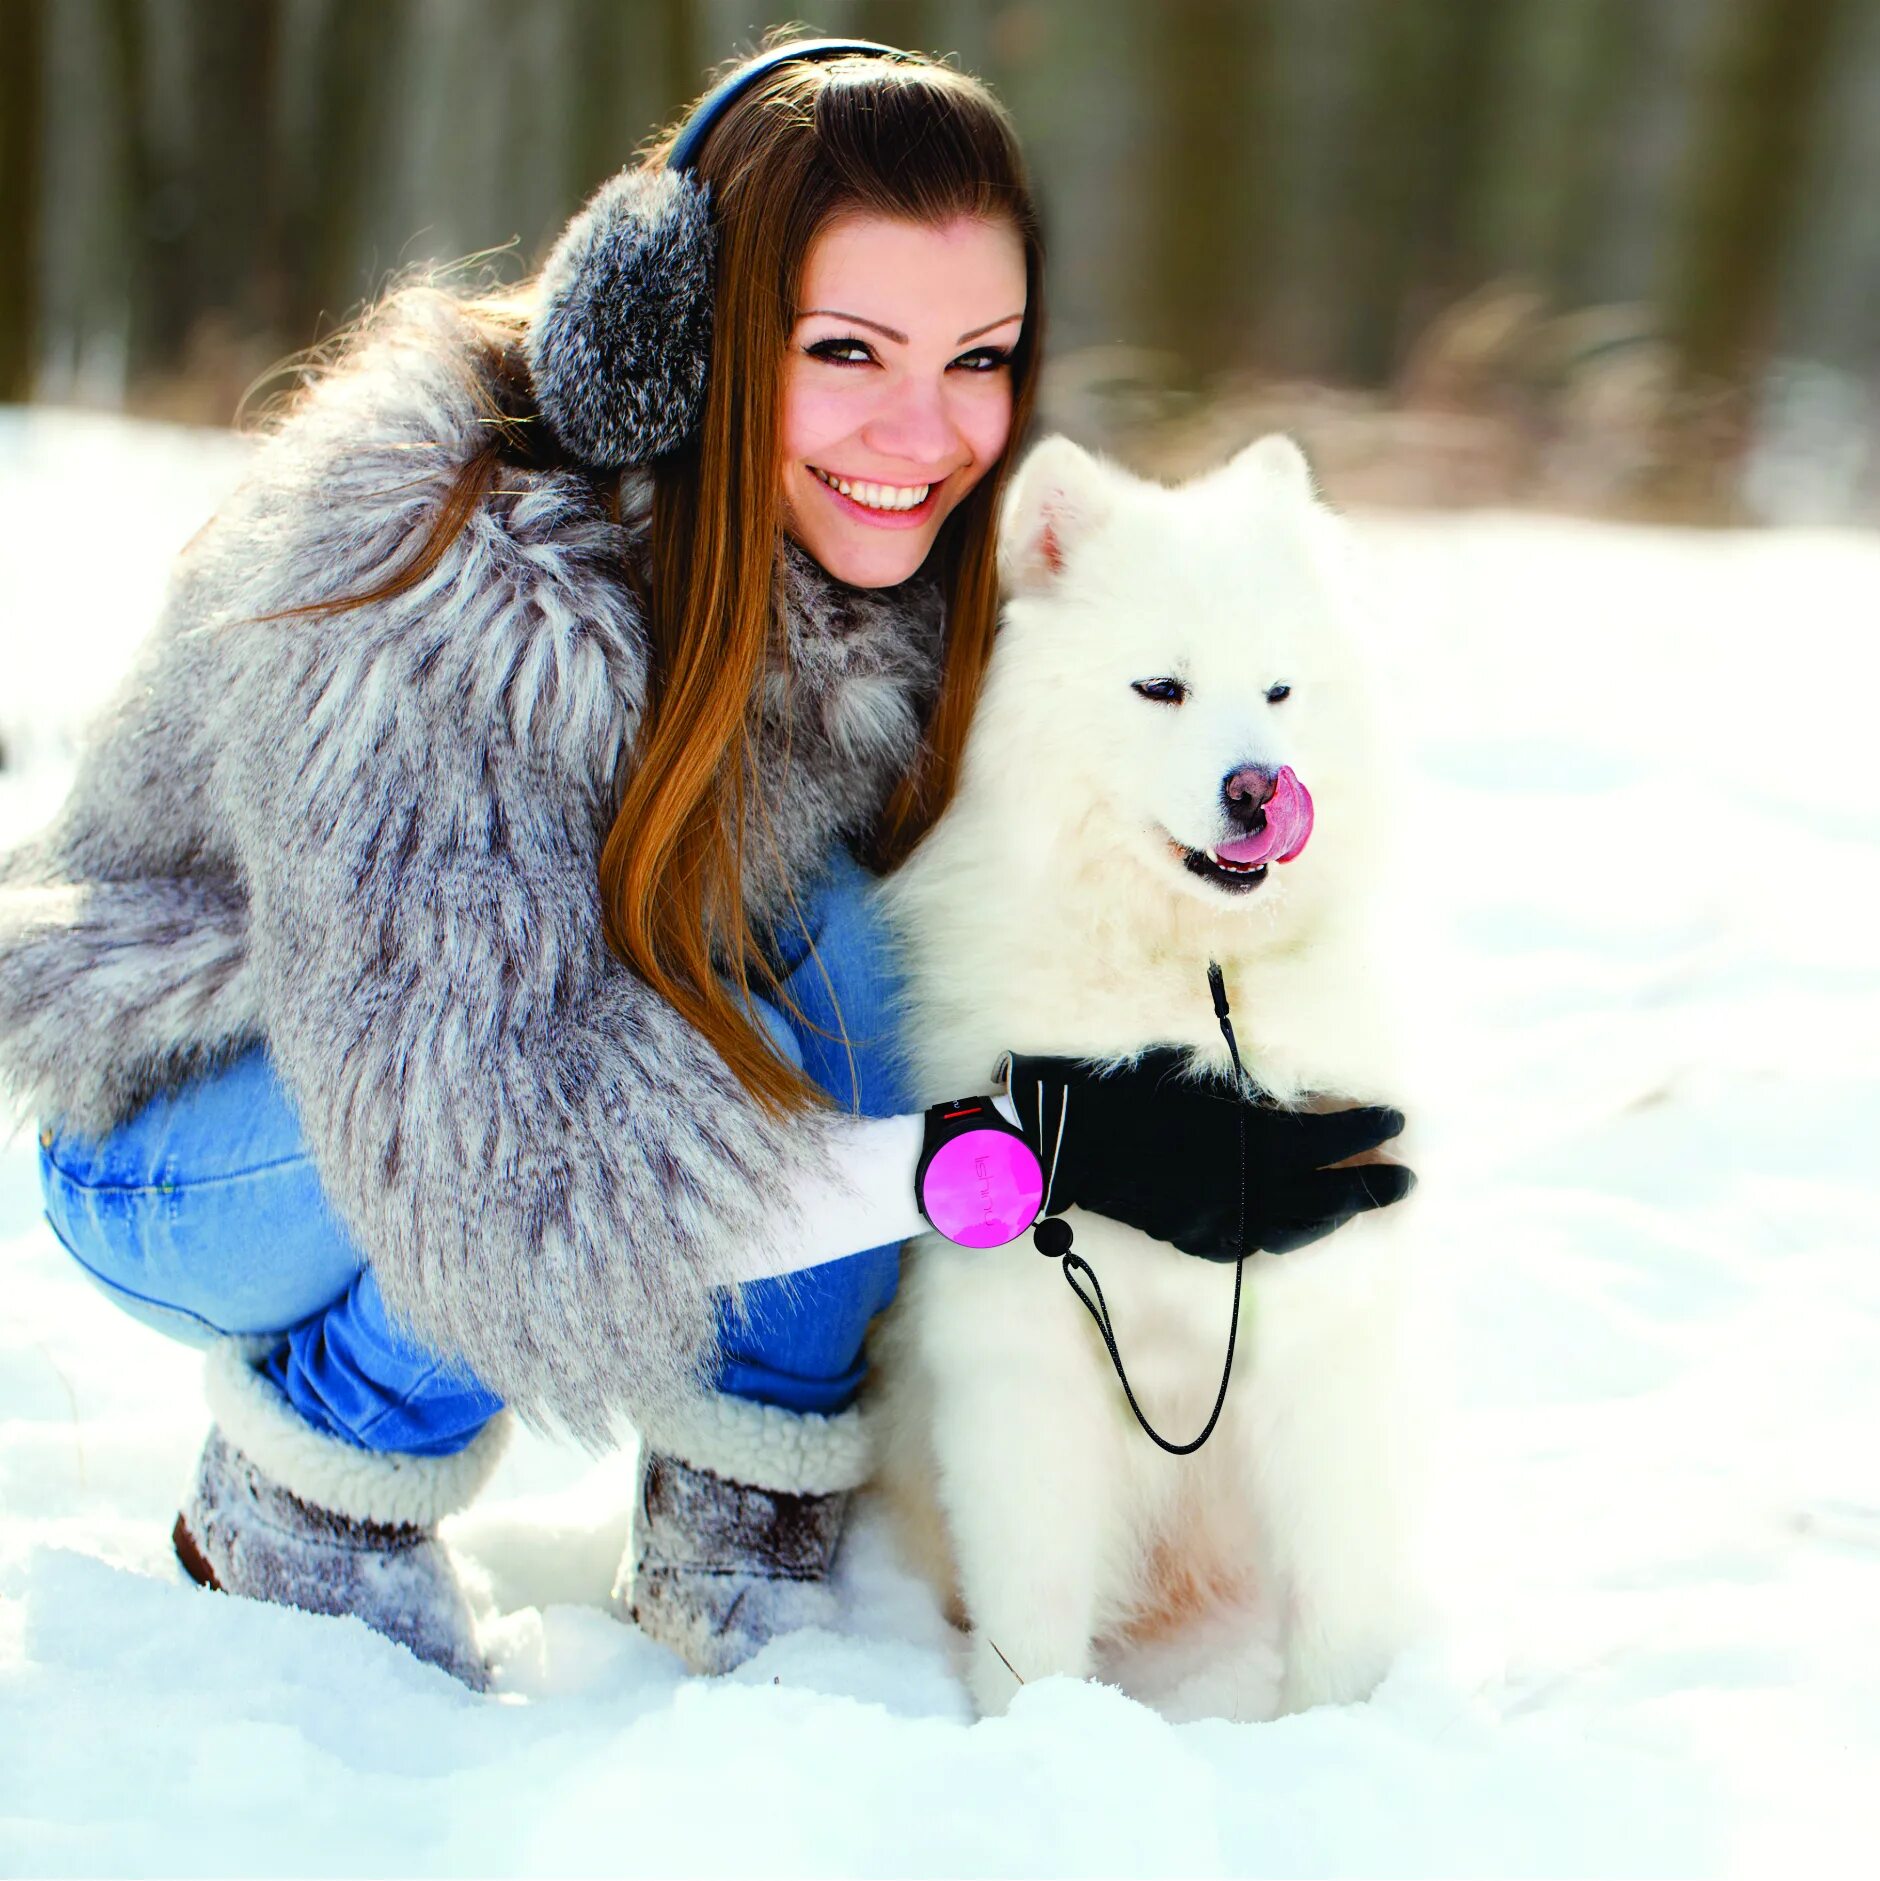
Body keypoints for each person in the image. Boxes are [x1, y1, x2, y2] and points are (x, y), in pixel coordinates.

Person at [0, 37, 1413, 1690]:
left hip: (537, 1067)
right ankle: (311, 1487)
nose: (926, 427)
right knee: (587, 1084)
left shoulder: (903, 544)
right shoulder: (439, 573)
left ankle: (749, 1490)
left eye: (980, 357)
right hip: (225, 1126)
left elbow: (932, 972)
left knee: (872, 944)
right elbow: (497, 1164)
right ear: (678, 326)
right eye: (845, 348)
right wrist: (1035, 1150)